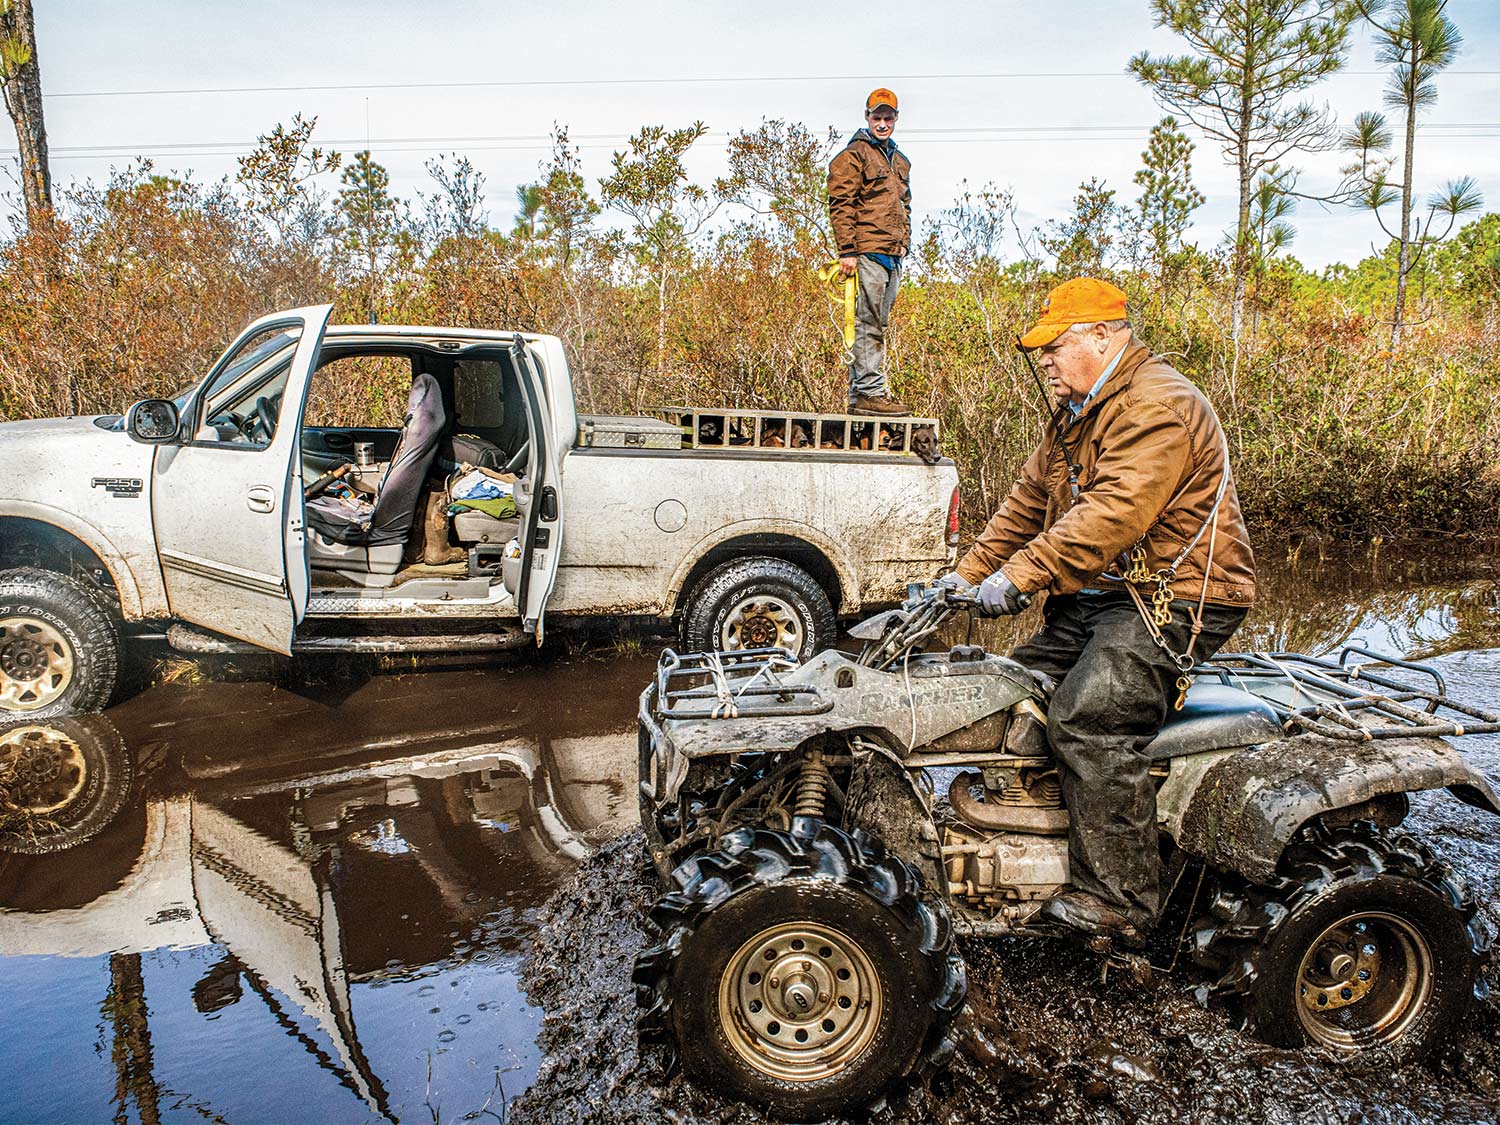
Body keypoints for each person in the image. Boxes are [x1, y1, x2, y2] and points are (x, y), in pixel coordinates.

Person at [944, 277, 1256, 943]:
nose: (1046, 361)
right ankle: (1036, 843)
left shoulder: (1158, 406)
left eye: (1053, 347)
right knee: (1005, 698)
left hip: (1173, 597)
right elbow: (1026, 506)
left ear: (1101, 336)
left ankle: (1121, 899)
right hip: (1098, 597)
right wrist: (961, 578)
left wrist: (1018, 579)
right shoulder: (1075, 414)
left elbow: (1111, 515)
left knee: (1088, 717)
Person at [827, 87, 912, 417]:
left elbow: (905, 204)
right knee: (868, 323)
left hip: (893, 253)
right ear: (867, 117)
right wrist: (847, 250)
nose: (882, 122)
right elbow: (841, 203)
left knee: (879, 323)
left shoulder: (900, 160)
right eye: (876, 117)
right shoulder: (854, 156)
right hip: (866, 251)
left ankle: (862, 393)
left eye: (887, 117)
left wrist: (905, 243)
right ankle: (869, 392)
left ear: (895, 119)